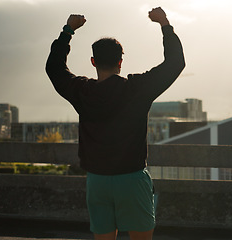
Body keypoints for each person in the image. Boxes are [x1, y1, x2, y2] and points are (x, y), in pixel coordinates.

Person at [46, 7, 185, 240]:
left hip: (97, 180)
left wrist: (68, 31)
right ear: (120, 62)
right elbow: (175, 63)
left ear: (93, 61)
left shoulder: (83, 91)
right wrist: (164, 23)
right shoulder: (137, 88)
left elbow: (55, 68)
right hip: (132, 178)